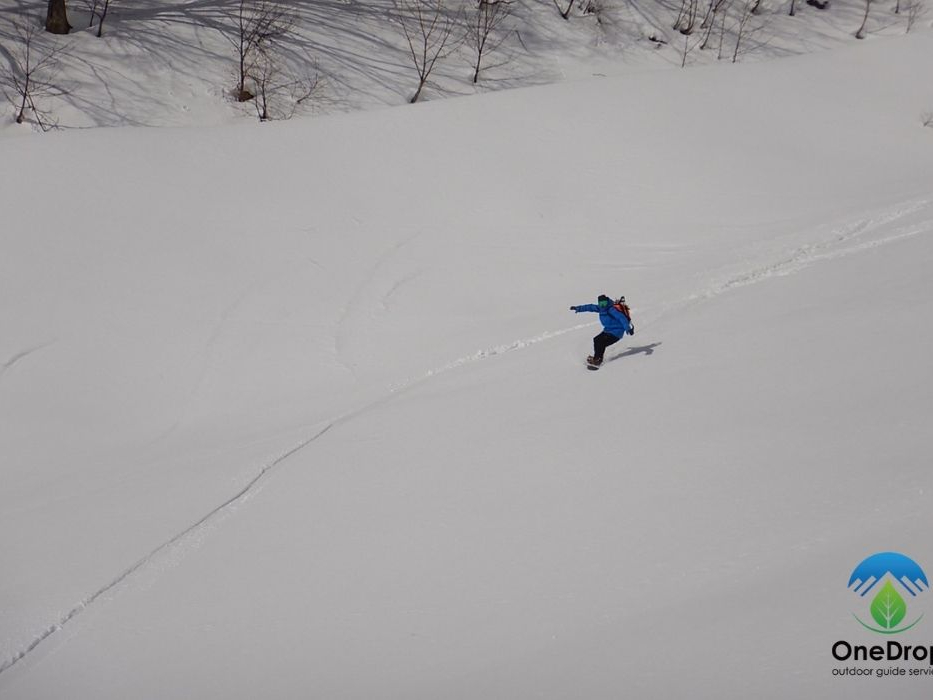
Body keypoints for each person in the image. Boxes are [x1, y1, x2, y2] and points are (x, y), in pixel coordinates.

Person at [570, 294, 633, 366]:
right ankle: (597, 358)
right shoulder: (600, 308)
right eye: (601, 303)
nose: (603, 305)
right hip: (608, 330)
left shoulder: (611, 309)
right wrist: (578, 308)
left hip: (616, 332)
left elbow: (622, 318)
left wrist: (628, 328)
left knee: (600, 342)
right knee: (597, 340)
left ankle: (598, 359)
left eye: (604, 303)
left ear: (607, 302)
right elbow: (589, 307)